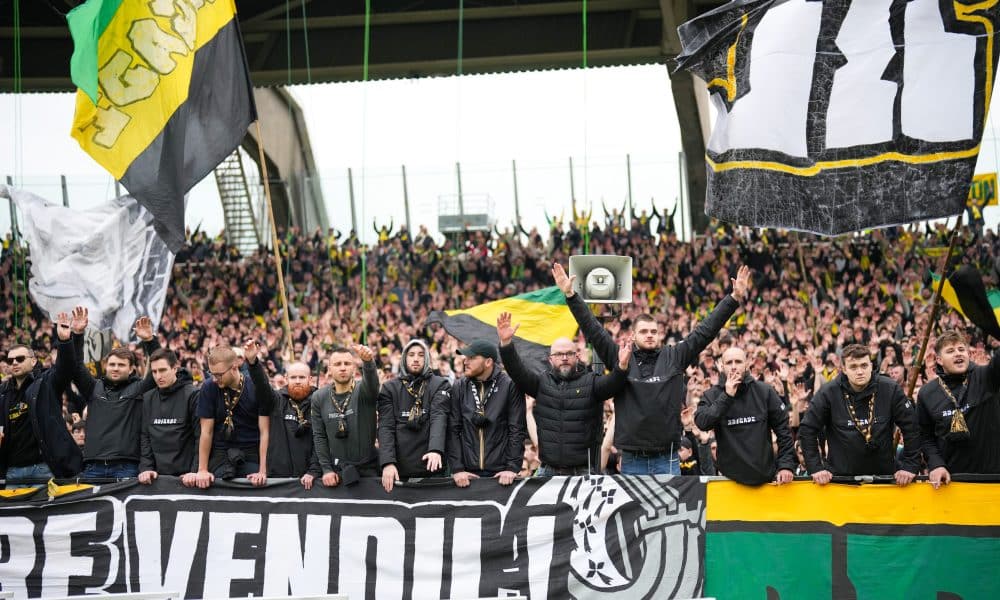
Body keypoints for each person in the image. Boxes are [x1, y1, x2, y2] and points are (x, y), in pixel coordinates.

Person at [554, 262, 752, 475]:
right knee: (635, 510)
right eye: (644, 331)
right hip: (631, 458)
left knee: (669, 510)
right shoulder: (621, 358)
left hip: (666, 458)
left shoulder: (674, 356)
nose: (650, 335)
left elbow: (706, 330)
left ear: (659, 335)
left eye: (654, 331)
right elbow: (593, 330)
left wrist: (733, 299)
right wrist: (571, 296)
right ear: (633, 335)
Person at [496, 311, 630, 475]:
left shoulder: (592, 382)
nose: (564, 357)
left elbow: (614, 383)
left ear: (577, 356)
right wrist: (506, 343)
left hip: (584, 471)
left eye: (569, 353)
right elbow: (517, 371)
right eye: (559, 354)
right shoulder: (541, 383)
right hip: (548, 470)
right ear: (551, 359)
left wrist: (622, 366)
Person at [799, 344, 920, 485]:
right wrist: (816, 468)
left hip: (883, 480)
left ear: (871, 365)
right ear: (843, 369)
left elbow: (911, 426)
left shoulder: (890, 389)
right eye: (853, 367)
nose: (860, 372)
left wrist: (910, 466)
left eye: (864, 365)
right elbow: (807, 429)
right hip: (840, 481)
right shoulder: (828, 392)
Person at [69, 307, 160, 479]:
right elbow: (76, 366)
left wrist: (150, 341)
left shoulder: (139, 389)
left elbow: (158, 369)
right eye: (112, 364)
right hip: (93, 467)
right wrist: (77, 334)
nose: (115, 368)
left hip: (126, 467)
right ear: (106, 366)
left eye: (121, 365)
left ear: (132, 369)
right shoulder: (93, 387)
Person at [691, 346, 796, 485]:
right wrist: (727, 396)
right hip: (728, 481)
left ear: (747, 364)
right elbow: (702, 423)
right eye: (729, 363)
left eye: (738, 361)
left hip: (764, 480)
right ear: (722, 367)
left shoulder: (765, 392)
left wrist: (786, 466)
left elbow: (784, 431)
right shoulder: (712, 395)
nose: (734, 367)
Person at [0, 313, 82, 484]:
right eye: (10, 360)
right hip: (12, 470)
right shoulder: (3, 392)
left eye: (20, 358)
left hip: (43, 467)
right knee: (16, 512)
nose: (14, 363)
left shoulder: (46, 382)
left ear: (33, 361)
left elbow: (66, 368)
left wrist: (65, 340)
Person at [918, 330, 1000, 487]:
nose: (958, 354)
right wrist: (936, 464)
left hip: (993, 479)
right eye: (950, 351)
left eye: (961, 349)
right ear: (939, 360)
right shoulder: (927, 393)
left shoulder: (986, 377)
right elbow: (925, 437)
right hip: (952, 482)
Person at [187, 343, 270, 488]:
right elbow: (206, 432)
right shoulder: (209, 387)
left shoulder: (254, 387)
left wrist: (263, 471)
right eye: (211, 373)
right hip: (221, 454)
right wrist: (202, 470)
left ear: (234, 368)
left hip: (251, 453)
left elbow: (265, 432)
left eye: (219, 374)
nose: (214, 379)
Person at [448, 339, 527, 487]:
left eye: (472, 358)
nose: (465, 362)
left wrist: (511, 468)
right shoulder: (459, 386)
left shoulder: (510, 385)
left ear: (488, 362)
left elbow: (516, 429)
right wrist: (457, 468)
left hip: (501, 475)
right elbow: (453, 430)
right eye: (465, 357)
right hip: (466, 474)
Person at [378, 339, 451, 492]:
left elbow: (439, 417)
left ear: (427, 359)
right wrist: (387, 463)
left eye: (421, 355)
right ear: (404, 358)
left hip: (431, 467)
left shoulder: (440, 384)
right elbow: (386, 427)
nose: (416, 358)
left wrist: (436, 449)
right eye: (411, 355)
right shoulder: (389, 388)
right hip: (399, 469)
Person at [248, 350, 321, 489]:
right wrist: (253, 363)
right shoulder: (275, 400)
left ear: (310, 379)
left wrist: (314, 471)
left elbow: (322, 441)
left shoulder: (320, 402)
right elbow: (261, 385)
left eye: (302, 377)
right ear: (286, 379)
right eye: (293, 378)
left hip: (310, 481)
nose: (298, 381)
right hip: (277, 478)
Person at [312, 344, 380, 487]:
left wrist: (368, 363)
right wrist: (326, 469)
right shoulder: (319, 397)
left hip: (369, 470)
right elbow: (319, 436)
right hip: (337, 472)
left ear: (354, 368)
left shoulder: (363, 390)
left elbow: (373, 384)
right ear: (329, 369)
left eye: (347, 363)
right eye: (337, 364)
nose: (343, 367)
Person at [138, 349, 199, 483]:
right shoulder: (148, 398)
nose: (158, 376)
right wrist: (146, 468)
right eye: (154, 372)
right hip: (156, 477)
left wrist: (195, 471)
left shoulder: (193, 395)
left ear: (175, 368)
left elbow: (200, 437)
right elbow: (145, 436)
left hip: (187, 477)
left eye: (162, 370)